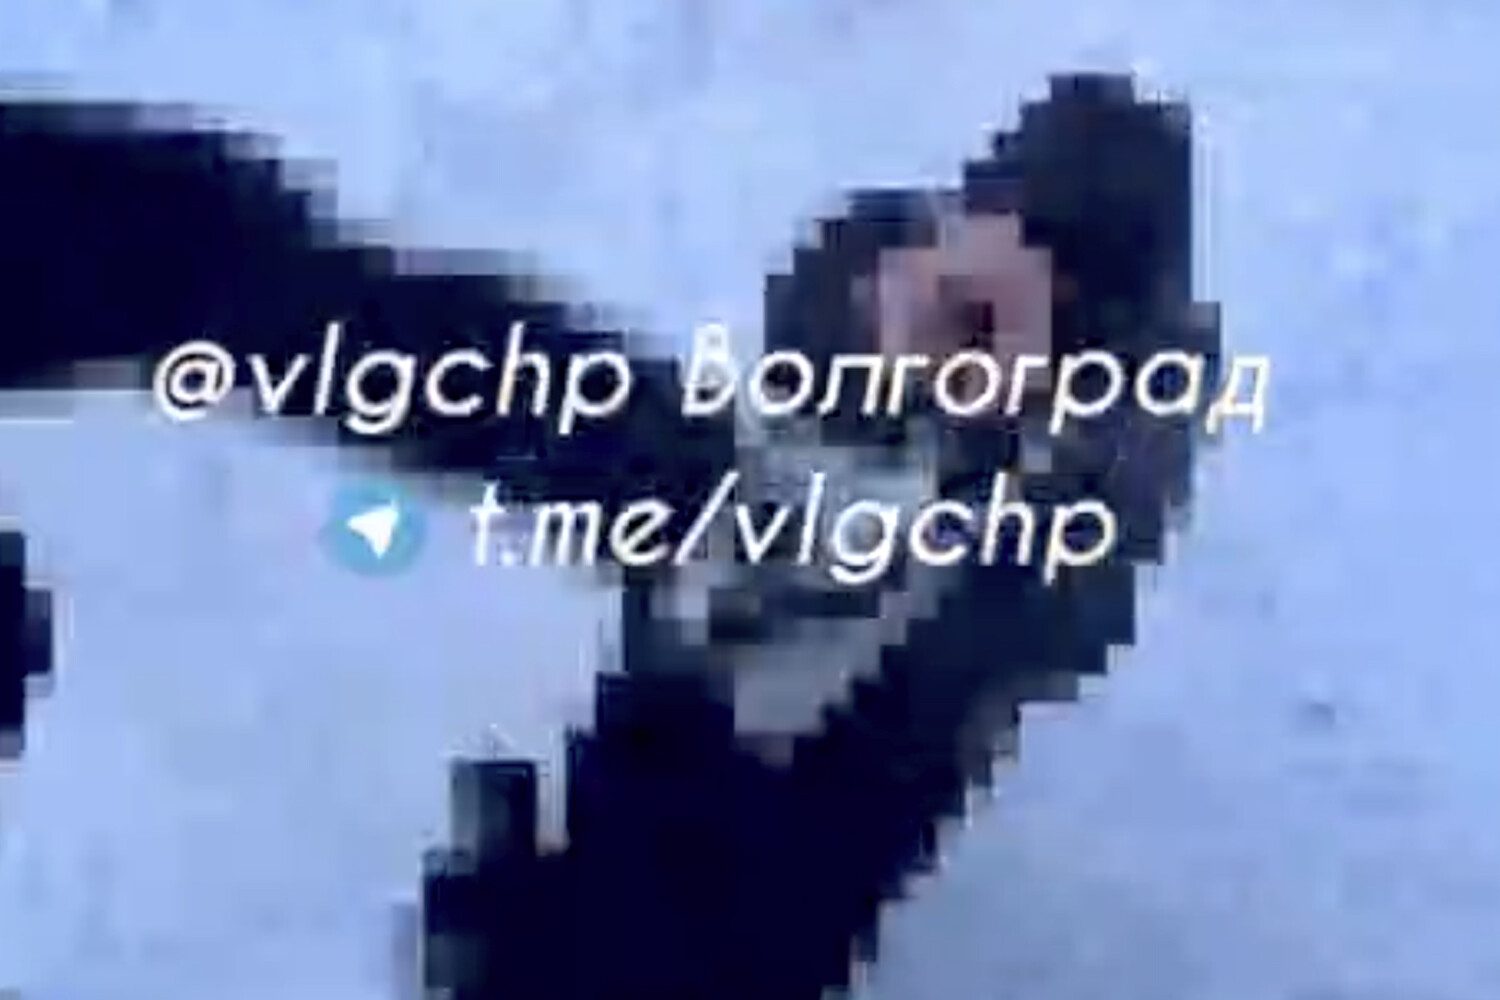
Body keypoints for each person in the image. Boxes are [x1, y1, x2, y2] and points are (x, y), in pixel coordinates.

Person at [0, 71, 1219, 999]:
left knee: (787, 889)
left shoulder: (1119, 421)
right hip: (729, 635)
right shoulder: (881, 271)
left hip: (871, 719)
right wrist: (879, 350)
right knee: (650, 796)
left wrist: (1029, 426)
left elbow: (1046, 627)